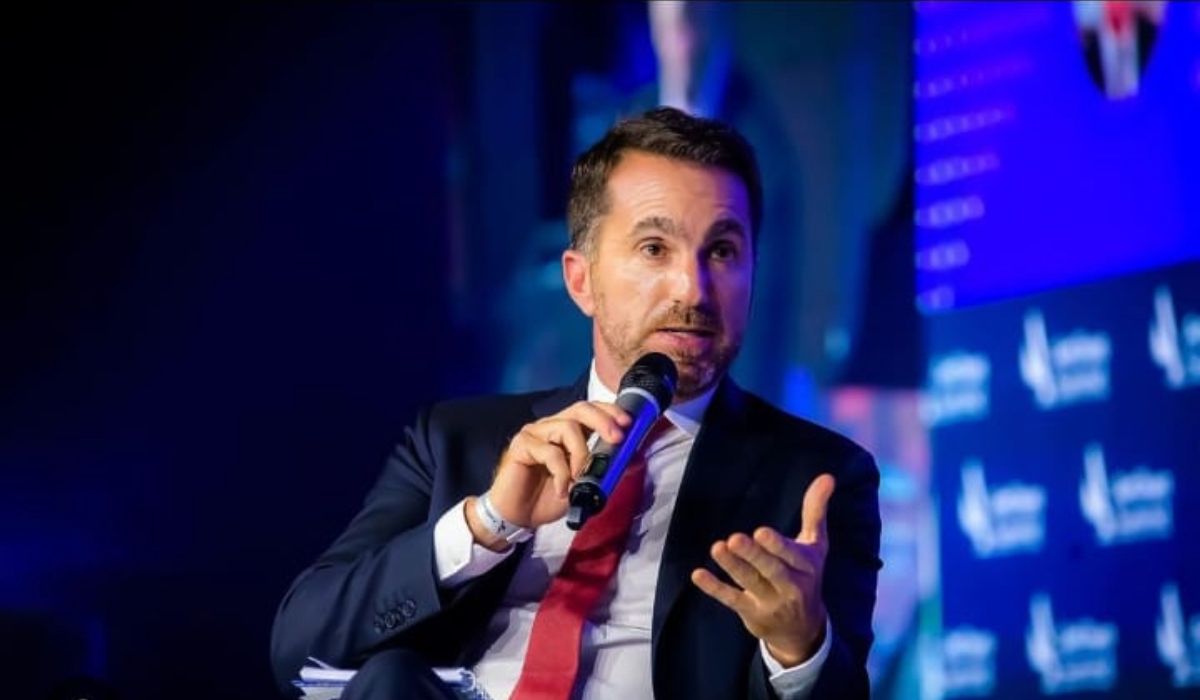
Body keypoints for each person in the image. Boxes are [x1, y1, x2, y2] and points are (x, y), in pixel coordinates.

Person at [270, 107, 881, 699]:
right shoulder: (453, 439)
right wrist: (488, 523)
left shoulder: (816, 479)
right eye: (654, 249)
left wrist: (798, 648)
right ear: (580, 280)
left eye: (722, 251)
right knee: (392, 678)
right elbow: (299, 647)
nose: (693, 289)